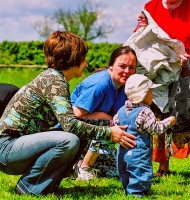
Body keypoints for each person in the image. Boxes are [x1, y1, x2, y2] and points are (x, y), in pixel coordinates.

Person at [0, 30, 136, 196]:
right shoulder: (53, 80)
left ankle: (48, 187)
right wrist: (109, 133)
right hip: (7, 149)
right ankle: (28, 188)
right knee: (69, 139)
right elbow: (71, 125)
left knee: (78, 136)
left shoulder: (57, 79)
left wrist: (111, 127)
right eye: (83, 58)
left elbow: (76, 123)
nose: (86, 63)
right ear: (74, 59)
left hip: (19, 147)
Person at [135, 0, 190, 177]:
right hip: (159, 72)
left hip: (189, 70)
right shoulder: (151, 7)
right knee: (157, 115)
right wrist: (141, 26)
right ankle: (163, 167)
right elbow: (142, 40)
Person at [71, 46, 137, 180]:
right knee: (110, 124)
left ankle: (76, 165)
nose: (127, 71)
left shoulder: (125, 86)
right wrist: (107, 119)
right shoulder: (99, 84)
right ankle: (84, 166)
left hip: (96, 137)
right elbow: (74, 116)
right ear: (111, 66)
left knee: (120, 173)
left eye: (132, 67)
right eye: (122, 66)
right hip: (72, 134)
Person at [113, 74, 176, 197]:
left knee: (125, 172)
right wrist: (169, 121)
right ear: (143, 94)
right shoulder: (145, 111)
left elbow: (116, 126)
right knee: (140, 172)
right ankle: (136, 194)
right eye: (151, 91)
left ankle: (128, 189)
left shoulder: (120, 111)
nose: (153, 95)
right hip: (139, 152)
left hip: (122, 152)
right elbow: (155, 129)